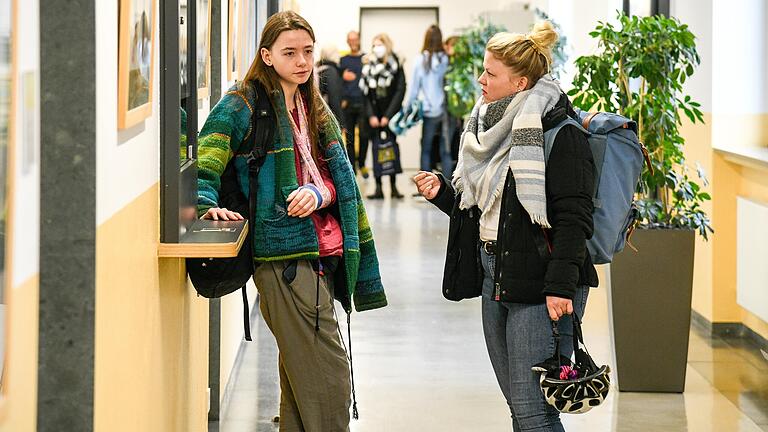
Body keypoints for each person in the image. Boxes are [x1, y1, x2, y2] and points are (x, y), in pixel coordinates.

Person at [196, 11, 388, 431]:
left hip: (321, 250)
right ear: (266, 55)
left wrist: (320, 193)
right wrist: (205, 202)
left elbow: (341, 181)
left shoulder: (312, 104)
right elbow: (205, 159)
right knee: (329, 375)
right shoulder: (243, 102)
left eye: (307, 51)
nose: (302, 61)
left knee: (301, 384)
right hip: (282, 257)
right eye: (290, 52)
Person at [414, 21, 598, 431]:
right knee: (520, 405)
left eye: (490, 74)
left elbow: (574, 219)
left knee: (535, 412)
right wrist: (444, 193)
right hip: (493, 274)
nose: (480, 80)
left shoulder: (560, 133)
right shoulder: (485, 130)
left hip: (542, 282)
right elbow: (488, 210)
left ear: (519, 83)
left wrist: (561, 287)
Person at [359, 33, 405, 200]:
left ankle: (393, 187)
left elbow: (400, 91)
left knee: (390, 147)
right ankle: (378, 187)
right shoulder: (369, 66)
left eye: (379, 44)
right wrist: (371, 115)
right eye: (374, 45)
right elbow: (365, 93)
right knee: (376, 148)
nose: (376, 48)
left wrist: (388, 115)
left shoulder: (397, 64)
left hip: (390, 115)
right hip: (373, 116)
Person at [405, 25, 452, 183]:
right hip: (445, 110)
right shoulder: (446, 59)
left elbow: (413, 88)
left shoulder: (420, 60)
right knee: (445, 150)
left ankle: (425, 186)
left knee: (426, 148)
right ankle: (446, 186)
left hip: (428, 110)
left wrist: (407, 109)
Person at [340, 31, 369, 177]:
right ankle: (352, 166)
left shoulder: (366, 59)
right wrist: (342, 75)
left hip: (363, 103)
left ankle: (362, 163)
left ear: (359, 40)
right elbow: (337, 83)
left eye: (355, 39)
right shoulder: (343, 61)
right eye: (350, 39)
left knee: (364, 136)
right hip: (348, 104)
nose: (352, 42)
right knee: (349, 138)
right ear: (347, 41)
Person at [316, 43, 345, 129]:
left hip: (319, 115)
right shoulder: (331, 71)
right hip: (328, 118)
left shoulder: (319, 69)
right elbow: (334, 97)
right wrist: (340, 122)